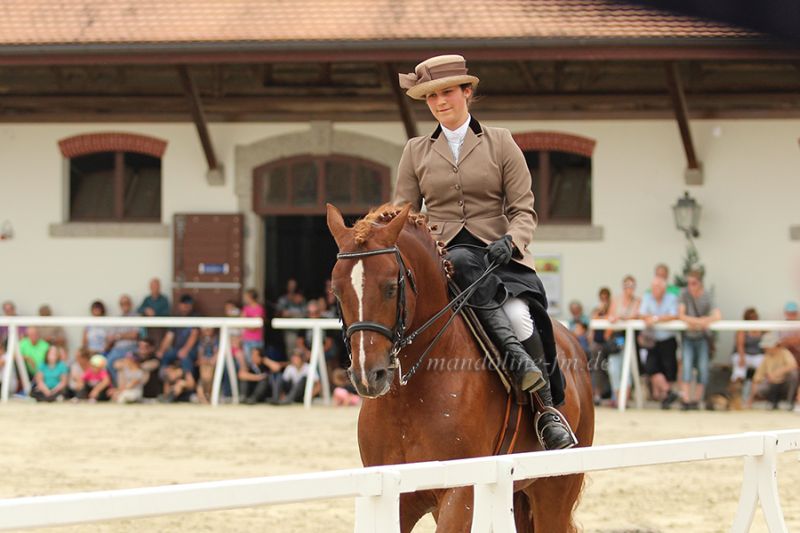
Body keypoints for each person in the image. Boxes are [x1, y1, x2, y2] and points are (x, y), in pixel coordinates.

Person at [392, 54, 574, 449]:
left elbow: (523, 209)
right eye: (432, 96)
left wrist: (513, 240)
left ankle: (546, 411)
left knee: (521, 318)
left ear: (467, 92)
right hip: (441, 262)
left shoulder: (501, 142)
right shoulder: (416, 151)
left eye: (447, 92)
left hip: (499, 259)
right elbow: (404, 215)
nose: (440, 102)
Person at [678, 270, 722, 410]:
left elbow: (717, 316)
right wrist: (700, 322)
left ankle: (696, 400)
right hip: (688, 337)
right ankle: (686, 399)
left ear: (700, 283)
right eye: (689, 283)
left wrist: (701, 321)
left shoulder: (707, 296)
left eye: (694, 283)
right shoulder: (684, 294)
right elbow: (681, 315)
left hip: (702, 338)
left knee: (703, 368)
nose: (691, 286)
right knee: (686, 367)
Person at [638, 277, 679, 409]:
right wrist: (655, 318)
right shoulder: (647, 297)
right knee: (651, 367)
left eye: (658, 287)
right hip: (652, 340)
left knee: (669, 369)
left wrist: (655, 318)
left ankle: (666, 398)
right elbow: (642, 314)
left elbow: (674, 315)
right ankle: (668, 391)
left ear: (664, 288)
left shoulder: (671, 298)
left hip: (667, 339)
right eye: (653, 287)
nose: (655, 290)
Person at [605, 275, 641, 407]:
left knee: (628, 369)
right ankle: (618, 398)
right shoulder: (616, 300)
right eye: (627, 286)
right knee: (614, 368)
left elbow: (637, 315)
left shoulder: (637, 301)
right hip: (617, 338)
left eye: (631, 286)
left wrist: (621, 318)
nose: (629, 289)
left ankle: (623, 401)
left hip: (630, 338)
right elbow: (610, 317)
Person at [746, 333, 798, 410]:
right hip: (772, 385)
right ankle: (772, 402)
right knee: (760, 387)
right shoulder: (766, 357)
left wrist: (776, 373)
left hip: (785, 385)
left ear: (775, 345)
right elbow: (757, 378)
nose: (765, 348)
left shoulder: (784, 352)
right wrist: (751, 399)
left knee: (794, 374)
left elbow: (793, 365)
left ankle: (789, 402)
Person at [157, 294, 199, 377]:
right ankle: (166, 378)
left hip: (191, 350)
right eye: (184, 305)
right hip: (176, 349)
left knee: (185, 357)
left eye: (188, 305)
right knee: (166, 356)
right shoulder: (176, 317)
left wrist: (185, 349)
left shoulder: (195, 316)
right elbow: (169, 336)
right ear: (180, 305)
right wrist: (161, 350)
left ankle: (189, 379)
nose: (186, 307)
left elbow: (194, 335)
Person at [729, 308, 765, 406]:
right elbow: (740, 345)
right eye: (751, 317)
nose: (753, 319)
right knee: (739, 372)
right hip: (743, 355)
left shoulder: (762, 328)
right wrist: (742, 357)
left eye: (755, 317)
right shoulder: (742, 329)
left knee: (762, 370)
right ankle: (735, 398)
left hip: (757, 356)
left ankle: (754, 398)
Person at [106, 294, 141, 385]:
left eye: (126, 303)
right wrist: (121, 336)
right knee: (109, 363)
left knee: (127, 364)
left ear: (130, 304)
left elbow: (134, 335)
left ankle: (125, 387)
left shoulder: (136, 317)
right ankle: (118, 387)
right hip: (117, 349)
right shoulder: (117, 319)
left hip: (131, 347)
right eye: (122, 303)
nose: (125, 305)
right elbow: (111, 336)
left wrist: (118, 336)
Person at [588, 286, 612, 404]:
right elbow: (592, 326)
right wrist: (600, 310)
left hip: (609, 344)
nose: (604, 301)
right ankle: (597, 394)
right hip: (597, 345)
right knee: (596, 366)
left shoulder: (612, 310)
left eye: (606, 298)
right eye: (602, 298)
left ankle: (610, 394)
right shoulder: (596, 311)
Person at [241, 288, 266, 365]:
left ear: (250, 297)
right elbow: (242, 320)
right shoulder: (246, 308)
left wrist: (246, 325)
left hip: (256, 339)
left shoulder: (259, 309)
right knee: (248, 360)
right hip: (246, 338)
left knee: (257, 360)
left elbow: (256, 326)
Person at [777, 301, 800, 367]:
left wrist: (788, 341)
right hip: (785, 352)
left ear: (797, 313)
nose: (791, 315)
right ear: (786, 313)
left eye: (793, 313)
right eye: (789, 313)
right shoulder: (781, 326)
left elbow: (798, 341)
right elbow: (780, 342)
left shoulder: (798, 324)